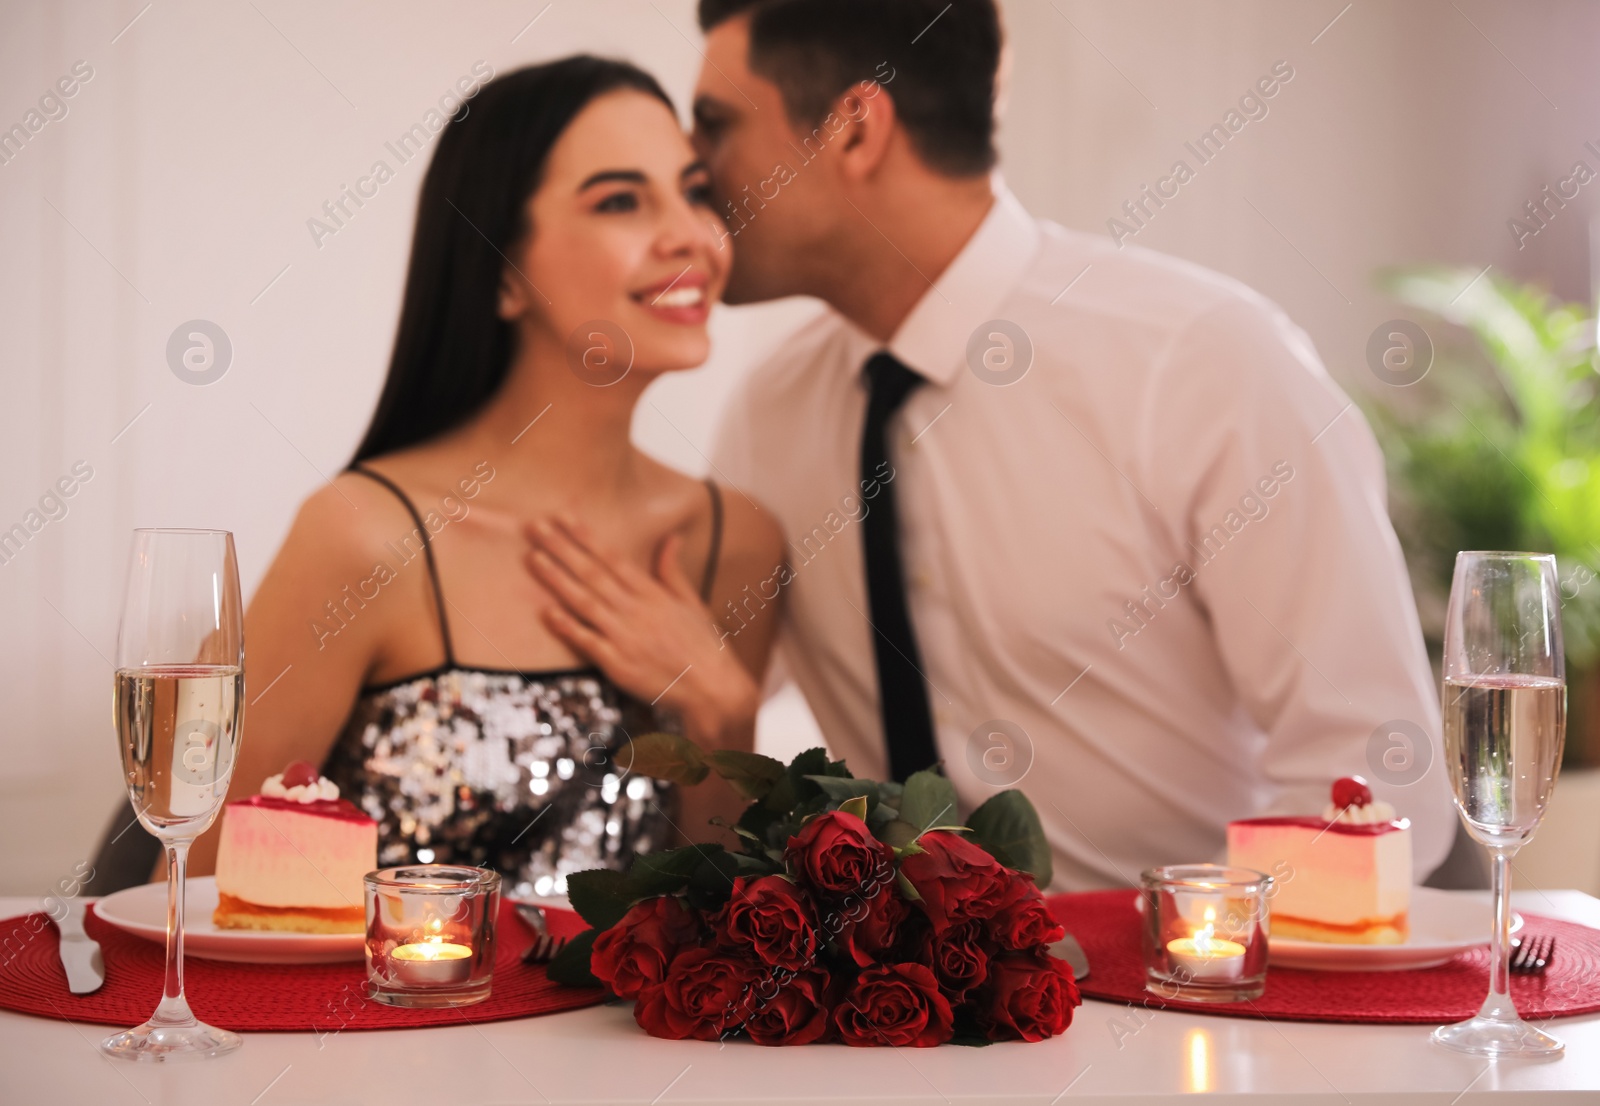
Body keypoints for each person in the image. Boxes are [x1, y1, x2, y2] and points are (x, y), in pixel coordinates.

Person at [679, 0, 1455, 888]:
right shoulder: (769, 411)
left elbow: (1370, 781)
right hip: (890, 1009)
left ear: (856, 129)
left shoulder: (1202, 363)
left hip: (1185, 998)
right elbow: (700, 702)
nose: (687, 173)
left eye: (714, 125)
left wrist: (1196, 980)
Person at [187, 57, 784, 900]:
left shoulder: (739, 544)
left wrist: (723, 714)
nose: (690, 233)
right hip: (384, 1030)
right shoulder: (363, 537)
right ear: (504, 270)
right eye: (620, 200)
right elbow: (194, 892)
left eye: (693, 191)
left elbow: (715, 922)